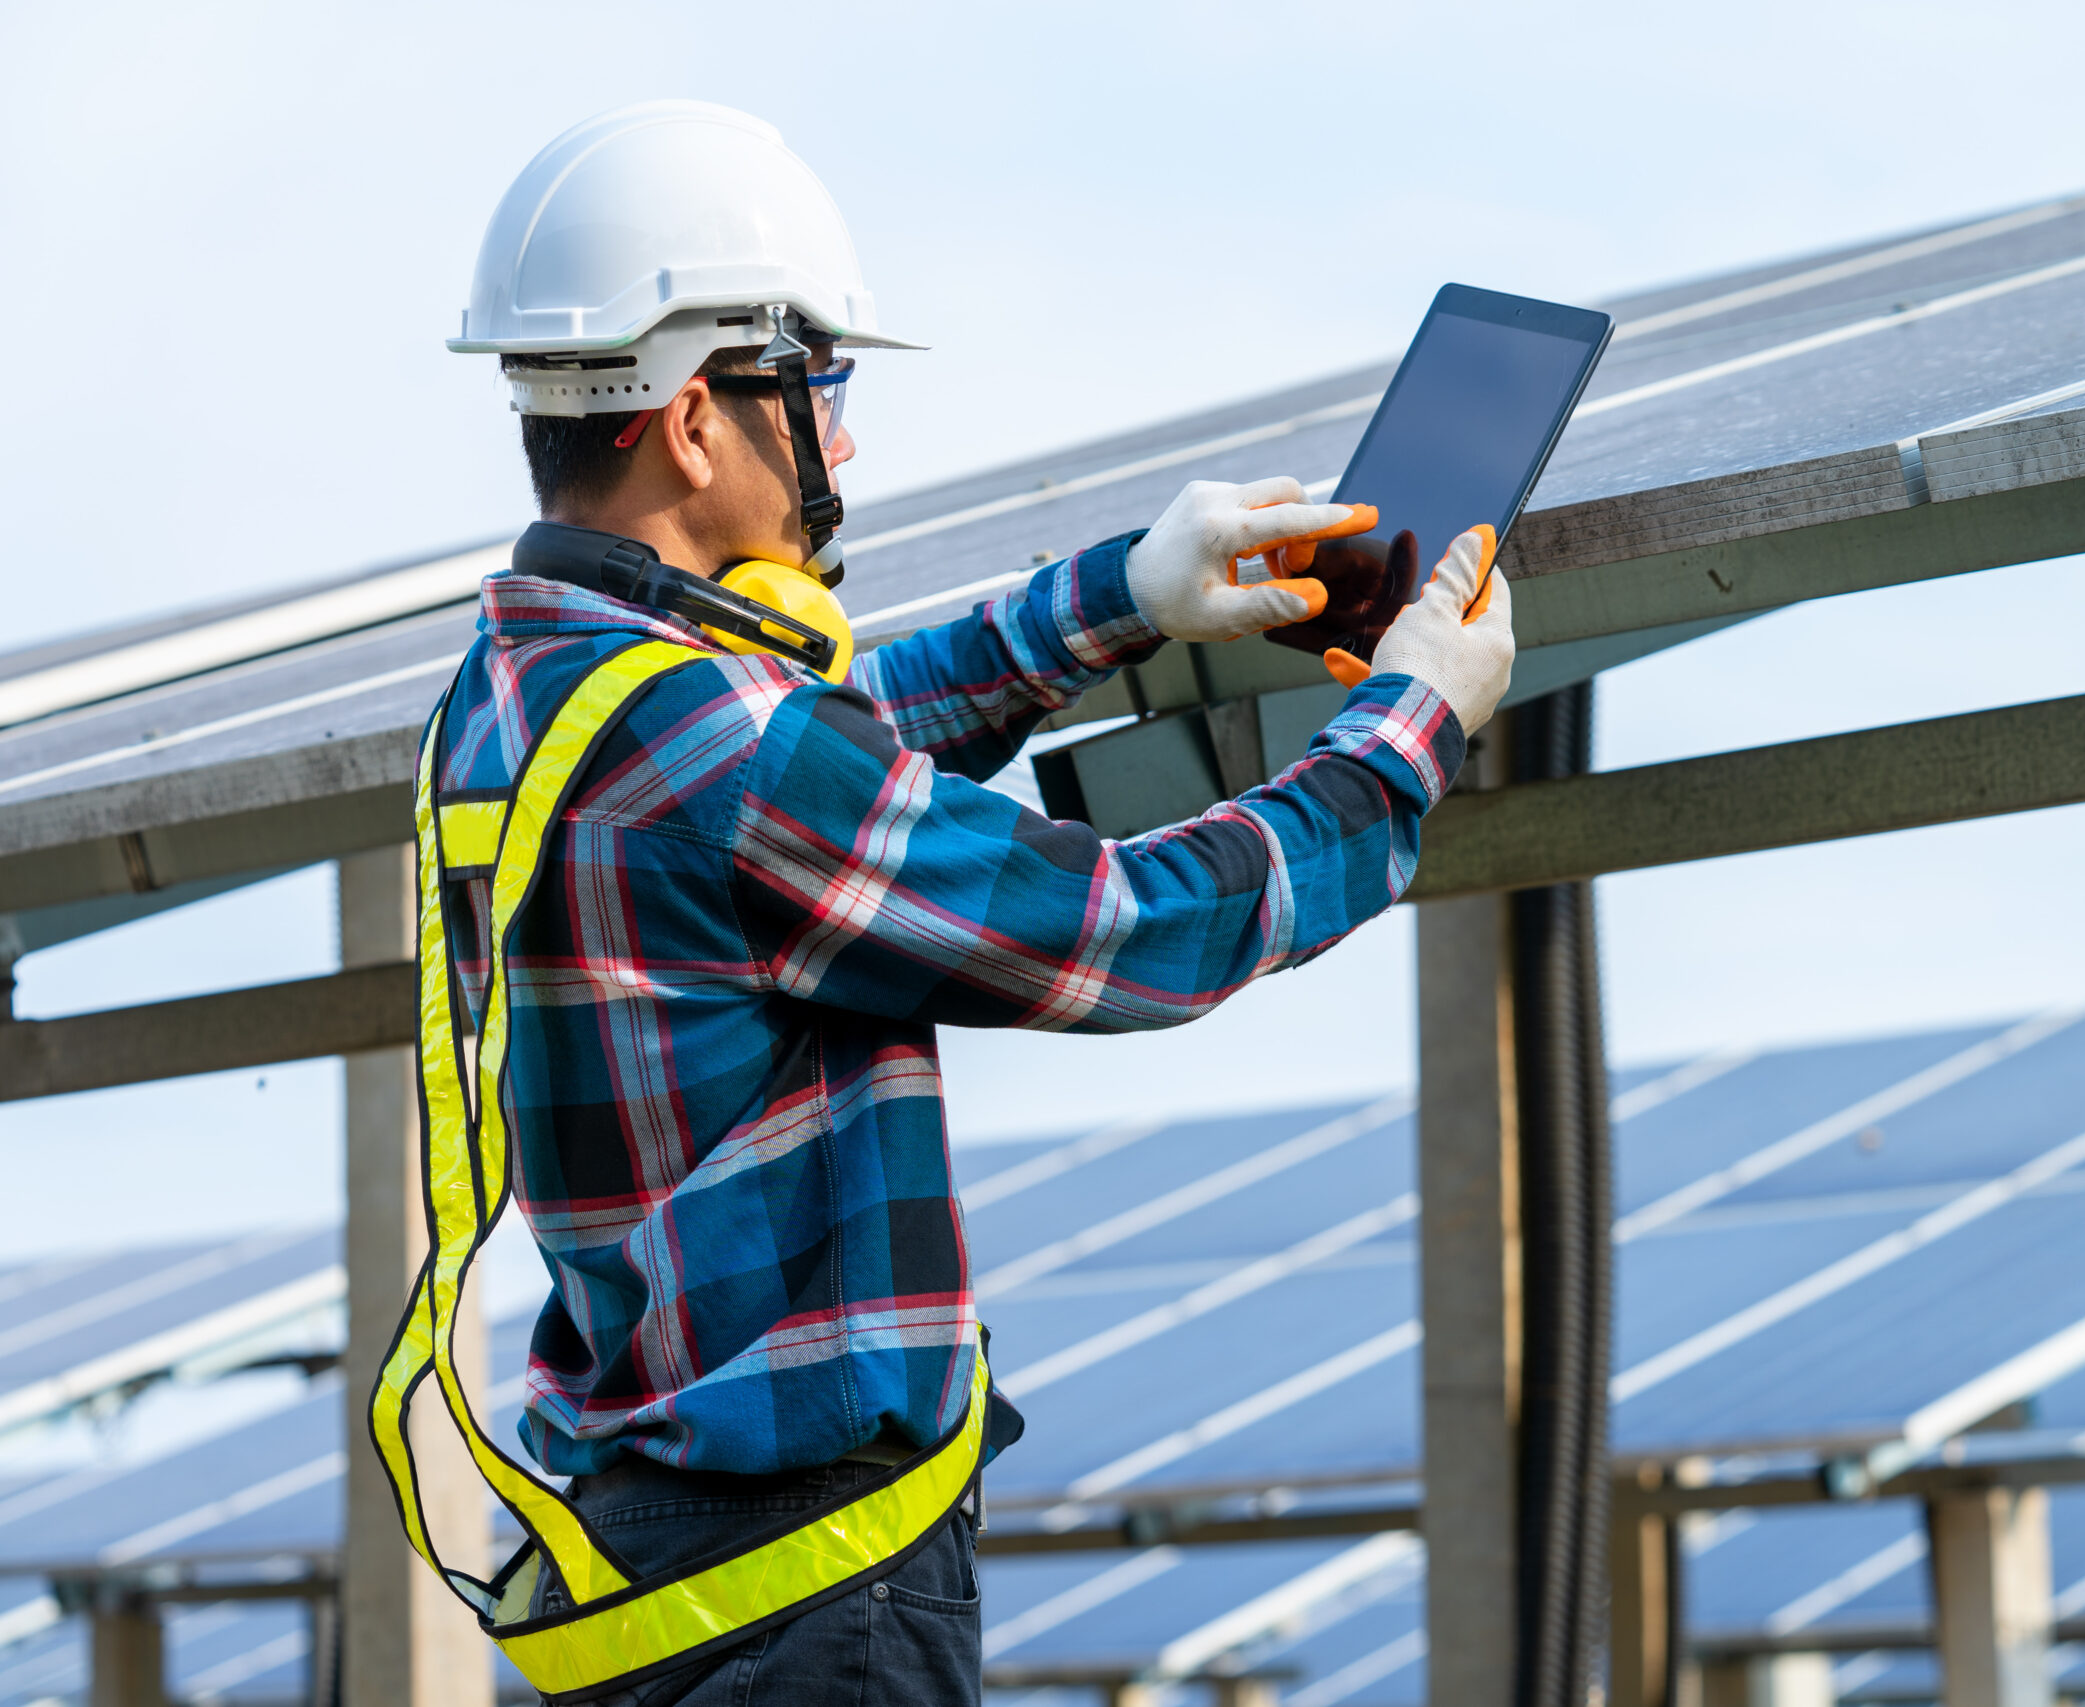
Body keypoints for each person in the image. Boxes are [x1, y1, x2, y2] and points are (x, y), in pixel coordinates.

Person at [393, 100, 1514, 1705]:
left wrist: (1116, 602)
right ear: (698, 418)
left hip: (644, 1557)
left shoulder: (515, 696)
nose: (841, 444)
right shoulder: (713, 744)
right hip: (808, 1597)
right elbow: (1126, 928)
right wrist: (1401, 736)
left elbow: (820, 757)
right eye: (819, 390)